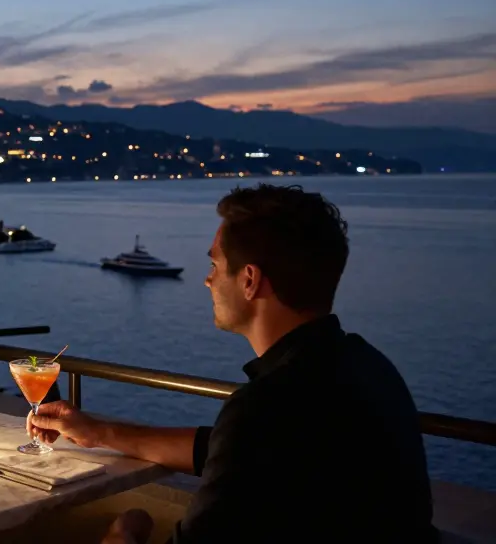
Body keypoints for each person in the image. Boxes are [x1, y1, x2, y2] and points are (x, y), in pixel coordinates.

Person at [27, 184, 439, 544]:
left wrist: (125, 531)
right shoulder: (368, 367)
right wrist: (98, 431)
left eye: (214, 265)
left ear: (249, 280)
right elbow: (221, 450)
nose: (207, 280)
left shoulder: (269, 406)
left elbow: (244, 444)